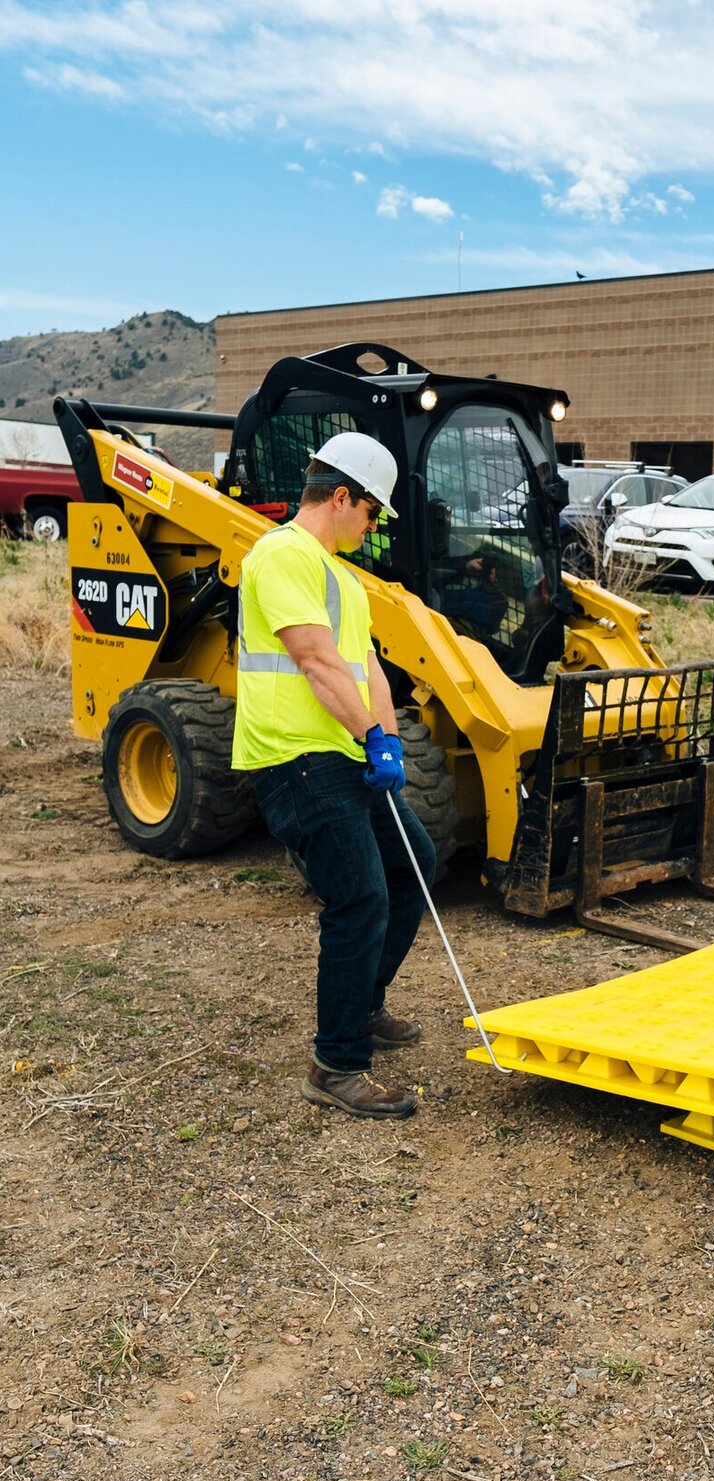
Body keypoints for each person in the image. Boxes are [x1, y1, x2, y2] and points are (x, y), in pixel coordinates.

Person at [231, 432, 436, 1120]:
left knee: (415, 868)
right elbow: (316, 662)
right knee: (359, 899)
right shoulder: (281, 555)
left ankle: (363, 1003)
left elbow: (367, 668)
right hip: (295, 758)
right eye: (372, 514)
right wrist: (370, 734)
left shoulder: (343, 578)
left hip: (344, 754)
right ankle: (336, 1064)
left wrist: (390, 741)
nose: (373, 528)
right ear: (340, 496)